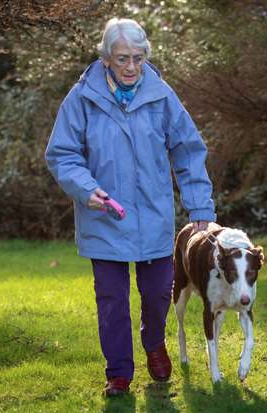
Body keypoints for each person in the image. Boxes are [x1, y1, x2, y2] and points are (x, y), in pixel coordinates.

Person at [45, 17, 216, 396]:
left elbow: (188, 150)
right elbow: (62, 153)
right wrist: (86, 189)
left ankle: (154, 341)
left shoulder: (161, 95)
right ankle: (118, 372)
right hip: (103, 215)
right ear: (106, 58)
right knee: (112, 301)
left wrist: (199, 206)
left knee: (157, 293)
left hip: (153, 214)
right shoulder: (82, 98)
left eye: (138, 58)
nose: (131, 67)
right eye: (123, 58)